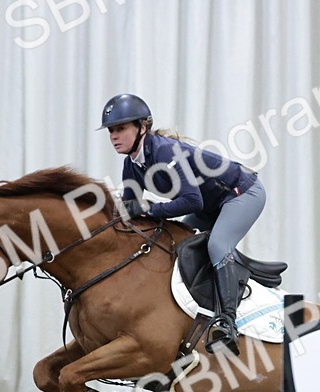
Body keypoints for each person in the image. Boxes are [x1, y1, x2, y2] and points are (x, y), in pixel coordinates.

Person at [99, 93, 265, 355]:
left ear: (142, 127)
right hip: (212, 203)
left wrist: (151, 210)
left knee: (218, 245)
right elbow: (130, 214)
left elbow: (192, 201)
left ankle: (228, 323)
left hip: (241, 193)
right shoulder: (131, 165)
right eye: (111, 131)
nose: (114, 136)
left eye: (121, 129)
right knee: (181, 246)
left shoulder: (165, 152)